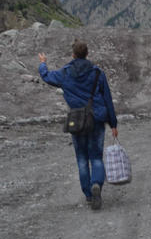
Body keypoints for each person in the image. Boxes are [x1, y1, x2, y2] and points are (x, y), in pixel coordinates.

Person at [38, 39, 118, 210]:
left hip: (78, 120)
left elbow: (46, 77)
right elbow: (107, 99)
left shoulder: (65, 73)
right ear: (87, 54)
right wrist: (113, 123)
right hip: (97, 118)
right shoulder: (98, 73)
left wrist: (43, 64)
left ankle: (89, 195)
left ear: (73, 55)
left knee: (82, 158)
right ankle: (97, 183)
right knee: (96, 157)